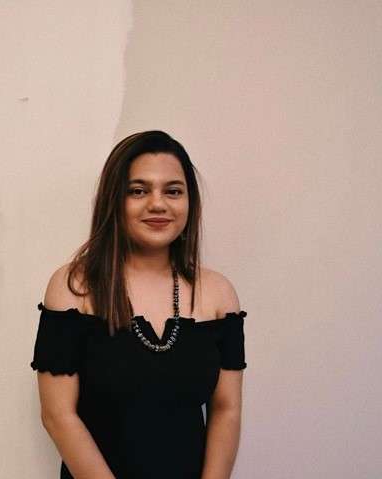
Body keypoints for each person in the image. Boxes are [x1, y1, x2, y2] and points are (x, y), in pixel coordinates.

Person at [31, 130, 247, 479]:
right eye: (138, 190)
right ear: (114, 201)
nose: (158, 204)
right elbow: (58, 416)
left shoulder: (219, 294)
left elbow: (227, 411)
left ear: (190, 202)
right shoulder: (73, 287)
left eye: (173, 191)